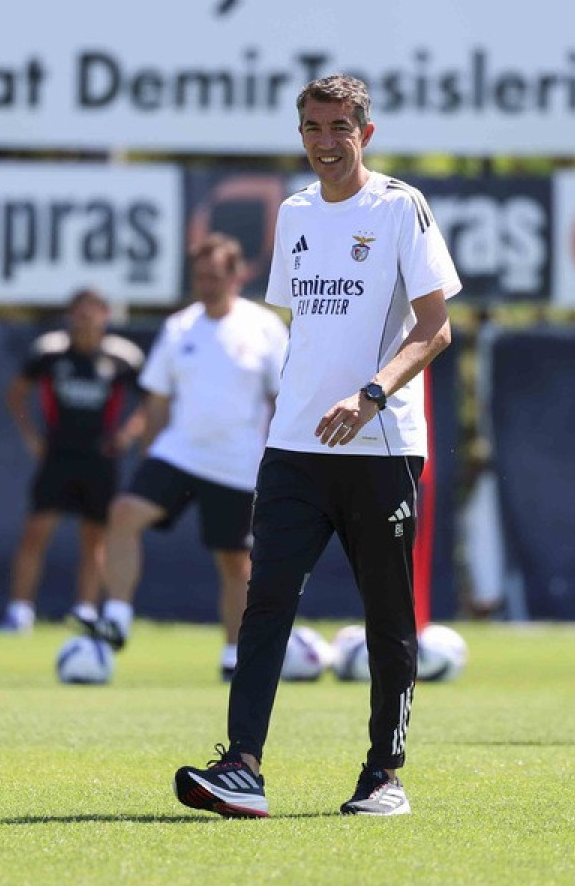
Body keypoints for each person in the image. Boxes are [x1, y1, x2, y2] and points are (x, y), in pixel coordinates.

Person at [172, 74, 461, 819]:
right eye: (312, 128)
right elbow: (306, 332)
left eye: (339, 128)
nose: (325, 142)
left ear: (366, 134)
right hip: (296, 448)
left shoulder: (401, 207)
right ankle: (242, 768)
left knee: (388, 618)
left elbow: (436, 329)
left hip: (381, 446)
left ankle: (383, 775)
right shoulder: (295, 214)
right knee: (264, 604)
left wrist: (370, 396)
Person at [86, 233, 287, 680]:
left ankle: (234, 655)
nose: (207, 284)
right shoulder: (180, 328)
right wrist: (147, 455)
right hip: (179, 454)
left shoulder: (265, 329)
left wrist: (276, 465)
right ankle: (116, 615)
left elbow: (280, 400)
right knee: (123, 512)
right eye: (200, 276)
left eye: (215, 276)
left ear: (236, 275)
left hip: (238, 463)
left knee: (234, 561)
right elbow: (157, 401)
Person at [0, 288, 143, 634]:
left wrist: (127, 435)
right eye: (79, 312)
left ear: (106, 316)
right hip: (58, 456)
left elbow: (152, 401)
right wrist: (31, 435)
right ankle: (20, 612)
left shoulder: (122, 357)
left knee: (95, 537)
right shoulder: (50, 351)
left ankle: (85, 610)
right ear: (69, 315)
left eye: (93, 312)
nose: (85, 320)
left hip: (100, 458)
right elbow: (16, 393)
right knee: (36, 531)